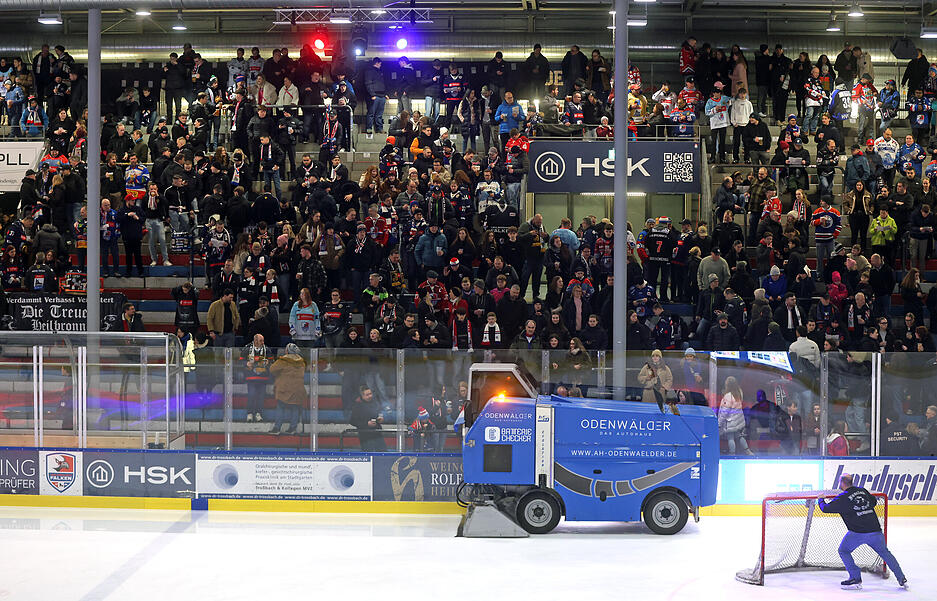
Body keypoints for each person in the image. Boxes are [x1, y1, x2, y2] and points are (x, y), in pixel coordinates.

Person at [819, 473, 908, 590]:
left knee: (844, 551)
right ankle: (902, 578)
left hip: (857, 533)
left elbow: (825, 509)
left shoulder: (843, 498)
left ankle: (855, 578)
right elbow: (874, 502)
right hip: (876, 531)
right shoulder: (862, 491)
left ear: (841, 483)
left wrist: (820, 499)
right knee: (886, 554)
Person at [269, 343, 307, 435]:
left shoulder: (283, 361)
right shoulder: (302, 362)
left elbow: (272, 369)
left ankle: (277, 428)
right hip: (298, 389)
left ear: (287, 351)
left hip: (284, 388)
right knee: (295, 407)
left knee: (280, 407)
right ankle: (292, 428)